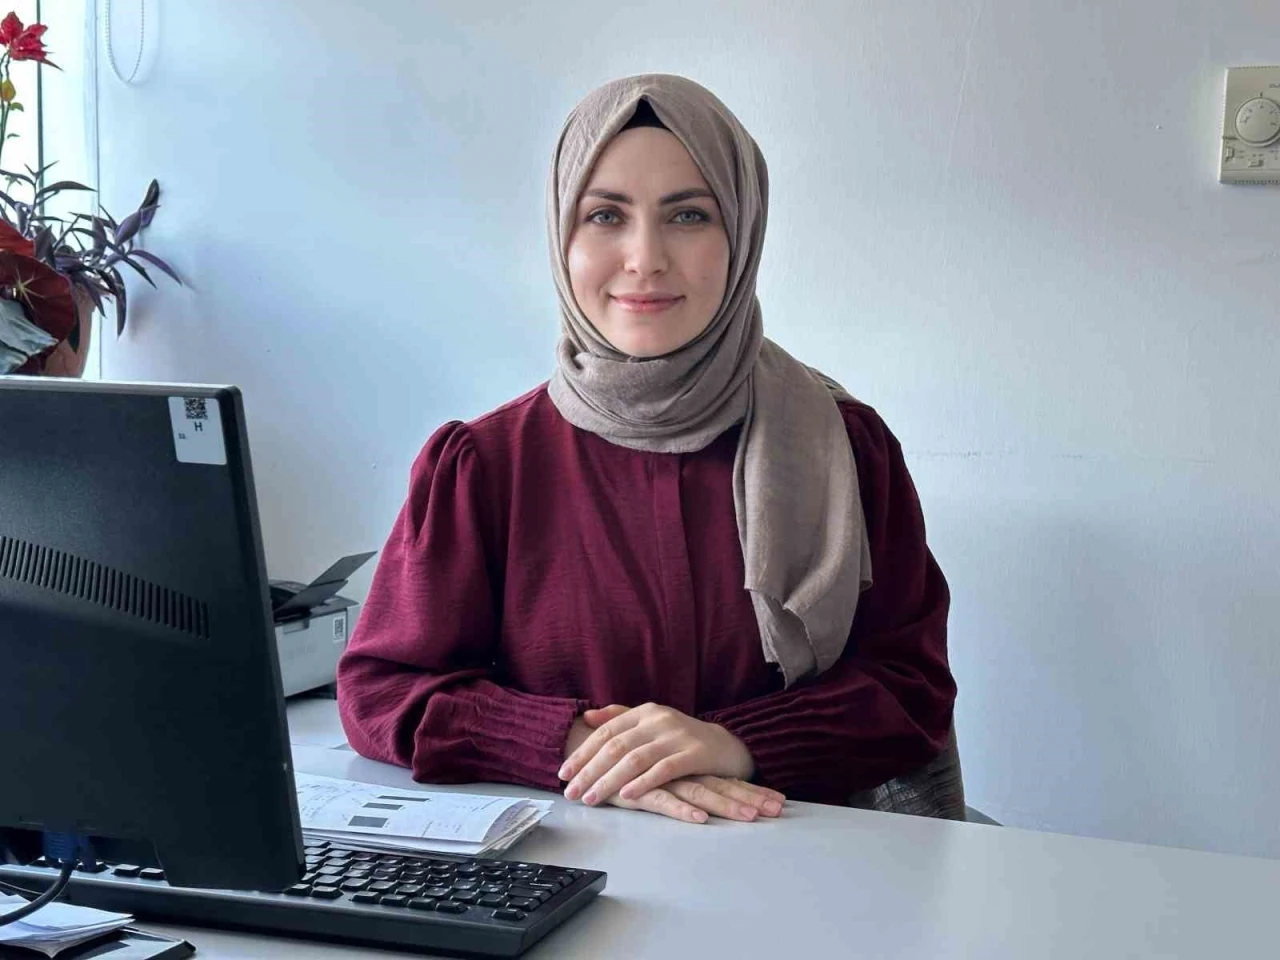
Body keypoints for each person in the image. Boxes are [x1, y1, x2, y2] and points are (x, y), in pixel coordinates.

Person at [337, 74, 957, 825]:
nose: (645, 258)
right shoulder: (485, 465)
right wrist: (582, 745)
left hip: (804, 862)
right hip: (570, 866)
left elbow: (911, 687)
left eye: (689, 215)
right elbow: (382, 690)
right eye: (605, 215)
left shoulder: (847, 447)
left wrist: (735, 743)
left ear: (743, 233)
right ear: (562, 236)